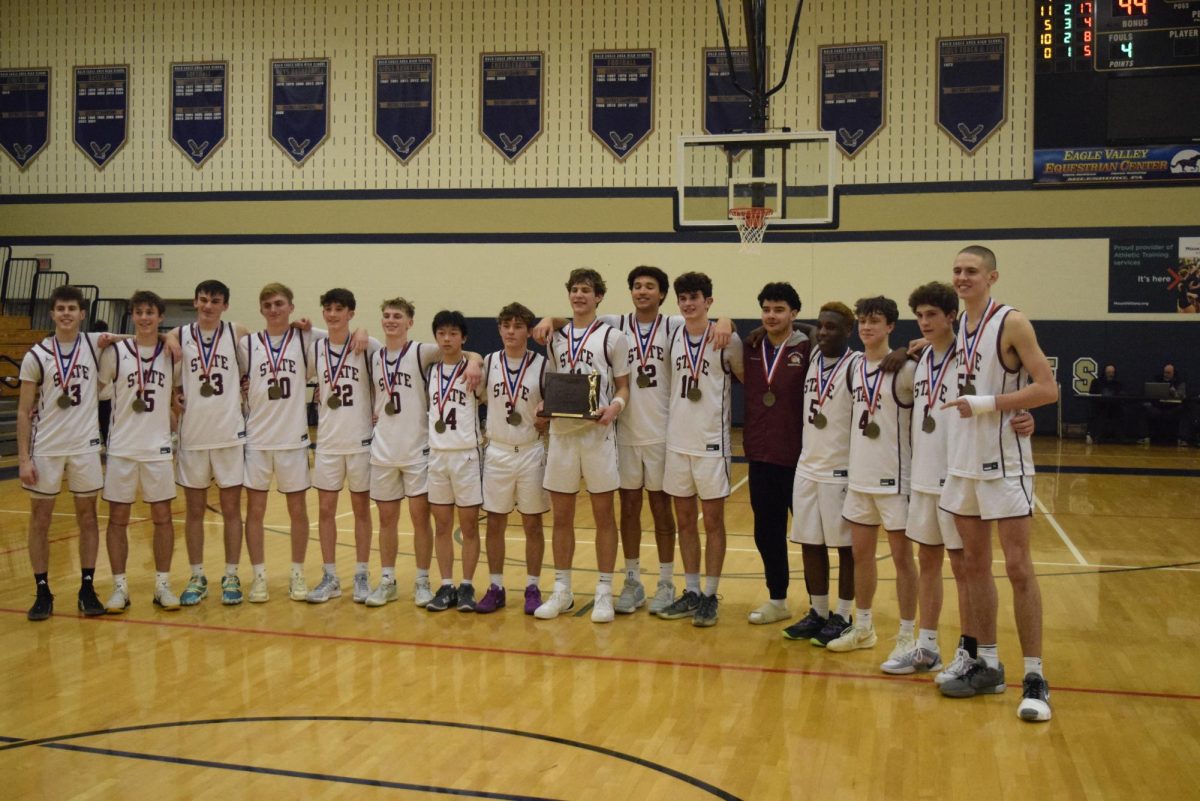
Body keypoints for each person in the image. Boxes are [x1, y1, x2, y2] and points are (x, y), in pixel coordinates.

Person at [532, 266, 732, 615]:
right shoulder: (614, 324)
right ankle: (632, 580)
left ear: (661, 294)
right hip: (621, 432)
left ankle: (667, 582)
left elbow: (707, 322)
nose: (643, 291)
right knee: (628, 511)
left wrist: (726, 320)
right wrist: (549, 317)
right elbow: (573, 319)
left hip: (662, 432)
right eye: (637, 286)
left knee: (662, 511)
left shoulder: (673, 325)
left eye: (650, 287)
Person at [939, 244, 1059, 723]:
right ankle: (987, 662)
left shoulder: (1012, 322)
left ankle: (1035, 676)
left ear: (992, 277)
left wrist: (991, 404)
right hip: (963, 463)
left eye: (971, 271)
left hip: (1005, 464)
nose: (962, 277)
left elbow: (1047, 388)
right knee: (971, 568)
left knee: (1018, 569)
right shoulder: (955, 327)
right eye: (957, 270)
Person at [363, 298, 482, 608]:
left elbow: (462, 351)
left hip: (420, 451)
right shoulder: (373, 355)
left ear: (410, 322)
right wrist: (359, 329)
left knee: (422, 521)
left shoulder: (421, 353)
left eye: (397, 316)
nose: (391, 320)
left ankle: (422, 581)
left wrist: (474, 361)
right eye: (386, 315)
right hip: (383, 451)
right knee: (386, 521)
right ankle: (387, 579)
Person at [533, 268, 631, 623]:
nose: (579, 295)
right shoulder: (553, 335)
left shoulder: (614, 337)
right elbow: (548, 381)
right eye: (574, 289)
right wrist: (541, 409)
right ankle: (562, 590)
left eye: (586, 290)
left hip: (597, 435)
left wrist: (615, 408)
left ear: (599, 296)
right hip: (561, 435)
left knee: (604, 516)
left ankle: (604, 590)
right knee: (562, 517)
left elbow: (623, 386)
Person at [825, 297, 919, 660]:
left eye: (875, 321)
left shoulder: (907, 368)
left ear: (891, 326)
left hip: (895, 479)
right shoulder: (852, 368)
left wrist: (909, 352)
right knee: (861, 556)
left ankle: (907, 635)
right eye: (863, 321)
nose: (867, 327)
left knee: (902, 560)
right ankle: (863, 627)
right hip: (860, 477)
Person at [655, 272, 743, 626]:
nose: (689, 303)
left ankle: (710, 594)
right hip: (677, 443)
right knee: (685, 522)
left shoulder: (727, 339)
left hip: (712, 444)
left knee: (715, 524)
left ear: (709, 301)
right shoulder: (673, 333)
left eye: (696, 297)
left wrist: (726, 322)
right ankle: (691, 591)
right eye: (683, 298)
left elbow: (745, 380)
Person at [17, 285, 108, 620]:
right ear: (52, 314)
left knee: (88, 517)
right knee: (40, 520)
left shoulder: (95, 345)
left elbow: (135, 339)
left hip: (85, 447)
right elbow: (25, 412)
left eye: (72, 308)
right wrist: (24, 459)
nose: (67, 313)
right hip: (48, 448)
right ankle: (42, 590)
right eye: (61, 308)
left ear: (82, 314)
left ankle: (87, 586)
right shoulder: (36, 355)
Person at [99, 290, 182, 612]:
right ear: (131, 315)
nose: (144, 317)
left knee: (162, 519)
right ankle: (120, 587)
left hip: (158, 448)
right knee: (117, 519)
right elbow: (98, 392)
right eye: (139, 312)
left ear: (160, 317)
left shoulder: (170, 353)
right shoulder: (115, 353)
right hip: (121, 448)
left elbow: (177, 396)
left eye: (151, 312)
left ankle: (162, 584)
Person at [782, 302, 859, 645]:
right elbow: (808, 331)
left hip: (840, 471)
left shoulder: (856, 365)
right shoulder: (813, 355)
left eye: (833, 327)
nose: (825, 332)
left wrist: (904, 351)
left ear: (849, 332)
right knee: (809, 543)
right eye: (822, 326)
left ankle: (843, 614)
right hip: (807, 467)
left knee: (845, 548)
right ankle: (819, 611)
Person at [171, 280, 251, 606]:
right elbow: (142, 342)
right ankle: (196, 575)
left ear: (225, 305)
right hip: (192, 435)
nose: (208, 306)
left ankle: (231, 574)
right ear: (195, 301)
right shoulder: (178, 336)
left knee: (232, 510)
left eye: (214, 301)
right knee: (194, 512)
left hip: (229, 434)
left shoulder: (238, 333)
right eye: (203, 300)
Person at [238, 282, 317, 603]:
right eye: (268, 304)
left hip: (293, 440)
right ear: (261, 310)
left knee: (297, 511)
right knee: (254, 512)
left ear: (291, 307)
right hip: (257, 440)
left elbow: (347, 334)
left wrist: (314, 325)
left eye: (279, 303)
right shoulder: (248, 345)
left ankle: (297, 573)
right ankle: (259, 577)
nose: (274, 309)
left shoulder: (306, 338)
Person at [743, 282, 811, 625]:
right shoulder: (750, 347)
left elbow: (830, 331)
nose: (771, 316)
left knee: (812, 535)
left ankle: (822, 606)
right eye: (766, 309)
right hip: (761, 454)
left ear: (794, 314)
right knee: (767, 532)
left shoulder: (810, 347)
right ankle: (778, 599)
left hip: (803, 458)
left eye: (779, 309)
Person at [478, 302, 550, 614]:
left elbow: (553, 404)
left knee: (532, 524)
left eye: (518, 326)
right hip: (497, 451)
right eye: (506, 325)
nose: (511, 331)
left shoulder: (543, 364)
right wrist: (469, 360)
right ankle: (495, 586)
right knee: (495, 523)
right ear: (499, 329)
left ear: (528, 331)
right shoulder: (487, 362)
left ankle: (533, 587)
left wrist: (548, 413)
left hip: (531, 450)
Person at [306, 288, 376, 604]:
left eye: (339, 309)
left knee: (361, 509)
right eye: (328, 308)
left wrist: (363, 331)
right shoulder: (315, 348)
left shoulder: (367, 345)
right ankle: (330, 576)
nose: (333, 314)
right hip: (328, 442)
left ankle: (361, 574)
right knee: (324, 510)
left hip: (361, 441)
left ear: (350, 313)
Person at [424, 310, 486, 612]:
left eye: (453, 333)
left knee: (469, 525)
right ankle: (446, 584)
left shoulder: (476, 370)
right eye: (442, 333)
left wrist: (476, 360)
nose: (447, 339)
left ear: (463, 337)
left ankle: (467, 585)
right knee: (442, 526)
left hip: (466, 456)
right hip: (437, 456)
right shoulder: (429, 370)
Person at [1139, 363, 1190, 446]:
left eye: (1168, 373)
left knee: (1185, 410)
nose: (1166, 375)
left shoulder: (1180, 383)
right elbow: (1150, 394)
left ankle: (1182, 438)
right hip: (1158, 407)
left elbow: (1182, 397)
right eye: (1165, 372)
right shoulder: (1157, 380)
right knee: (1145, 407)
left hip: (1173, 408)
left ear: (1174, 373)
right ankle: (1144, 436)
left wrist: (1175, 393)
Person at [1087, 364, 1123, 445]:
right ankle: (1095, 436)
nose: (1110, 374)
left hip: (1114, 407)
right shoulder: (1096, 382)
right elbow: (1092, 394)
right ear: (1104, 372)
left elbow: (1121, 395)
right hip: (1100, 406)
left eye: (1112, 372)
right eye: (1108, 372)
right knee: (1100, 412)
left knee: (1119, 412)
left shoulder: (1117, 383)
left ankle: (1119, 437)